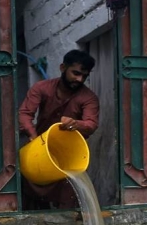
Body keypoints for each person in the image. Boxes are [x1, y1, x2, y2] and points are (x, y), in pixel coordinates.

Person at [18, 49, 99, 210]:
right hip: (39, 151)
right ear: (63, 68)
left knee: (68, 203)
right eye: (75, 73)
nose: (79, 79)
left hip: (67, 156)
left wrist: (76, 124)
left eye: (84, 76)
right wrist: (34, 137)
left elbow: (91, 124)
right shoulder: (42, 88)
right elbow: (25, 114)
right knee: (30, 198)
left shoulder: (88, 97)